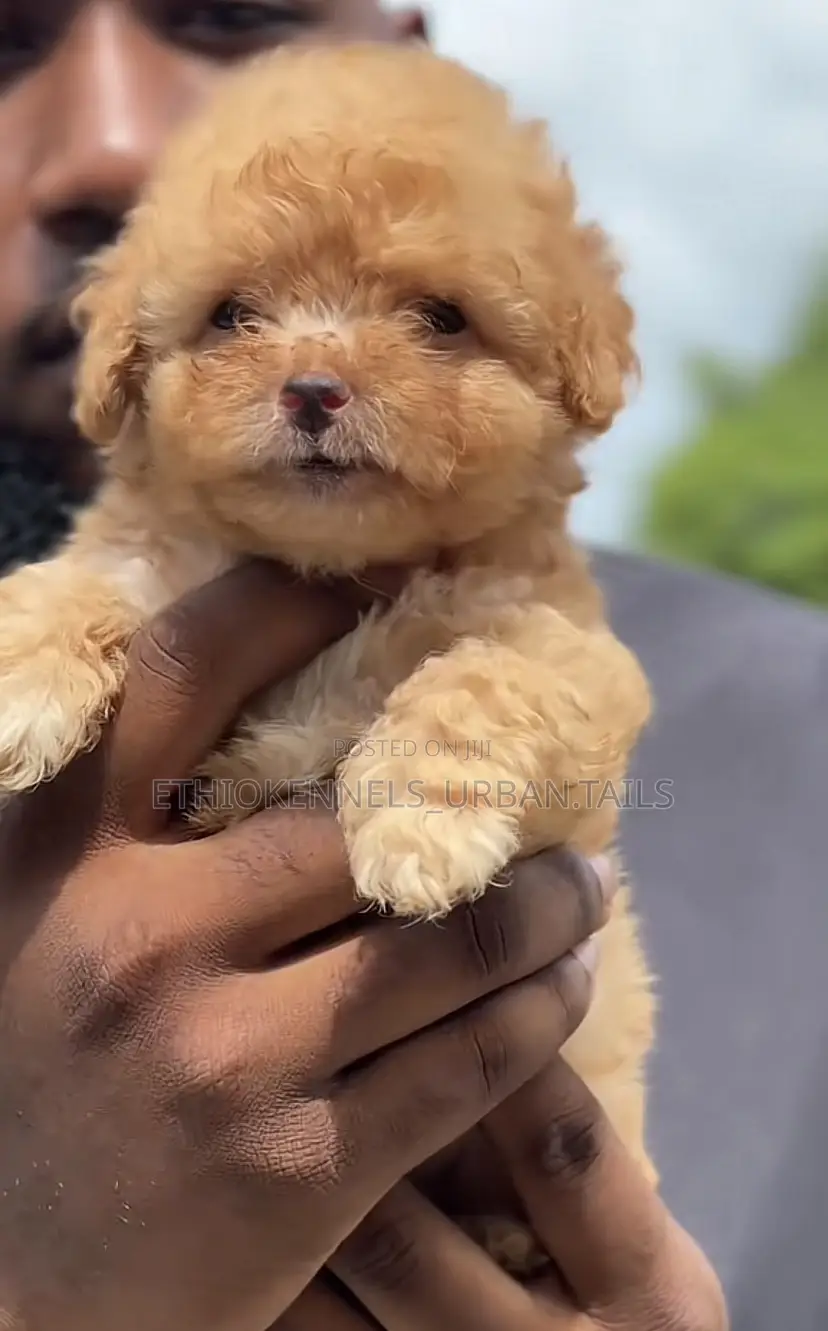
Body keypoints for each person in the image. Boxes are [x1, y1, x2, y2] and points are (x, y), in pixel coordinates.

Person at [0, 1, 822, 1327]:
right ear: (131, 361)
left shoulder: (784, 727)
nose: (315, 374)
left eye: (437, 318)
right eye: (233, 319)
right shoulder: (103, 586)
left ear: (572, 361)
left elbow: (568, 693)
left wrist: (462, 746)